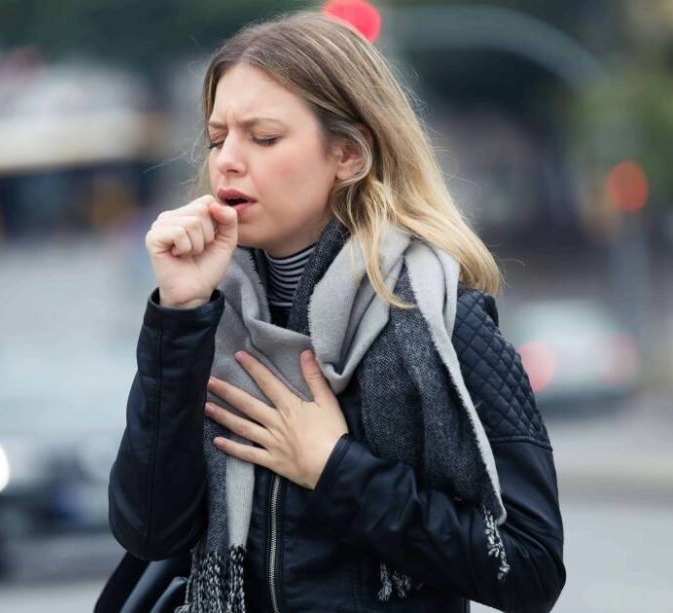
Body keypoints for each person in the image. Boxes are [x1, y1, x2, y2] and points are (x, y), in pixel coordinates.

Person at [109, 10, 565, 613]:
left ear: (348, 154)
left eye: (263, 137)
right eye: (218, 138)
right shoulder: (205, 323)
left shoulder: (445, 322)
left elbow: (529, 568)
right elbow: (147, 533)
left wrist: (335, 468)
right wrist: (178, 312)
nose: (227, 161)